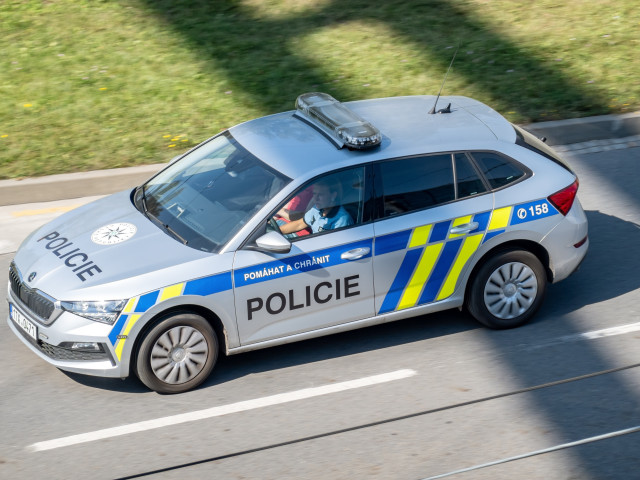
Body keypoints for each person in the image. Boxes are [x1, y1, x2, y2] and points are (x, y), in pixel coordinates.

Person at [278, 178, 352, 235]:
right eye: (314, 193)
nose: (315, 198)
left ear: (333, 195)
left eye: (320, 195)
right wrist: (276, 232)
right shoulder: (316, 208)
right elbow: (299, 224)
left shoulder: (341, 219)